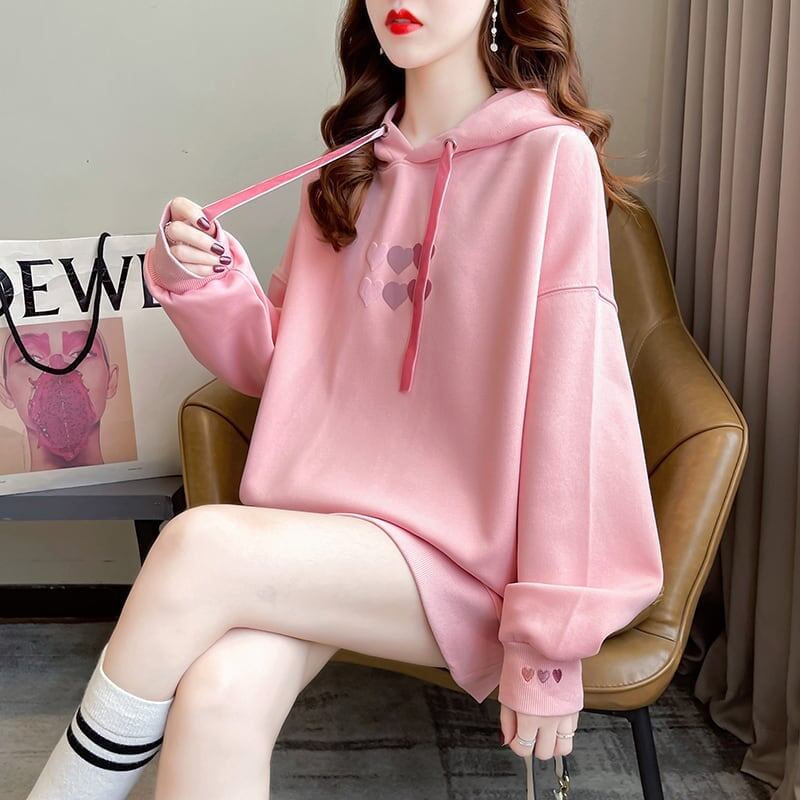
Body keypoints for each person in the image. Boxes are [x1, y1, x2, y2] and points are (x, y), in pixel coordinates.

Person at [26, 1, 664, 797]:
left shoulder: (549, 160)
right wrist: (204, 279)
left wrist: (548, 648)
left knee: (195, 547)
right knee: (220, 695)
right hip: (329, 534)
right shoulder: (347, 170)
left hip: (469, 562)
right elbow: (278, 368)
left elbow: (573, 413)